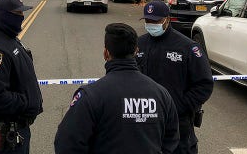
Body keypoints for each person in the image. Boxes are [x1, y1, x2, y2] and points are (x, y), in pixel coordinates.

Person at [55, 23, 180, 154]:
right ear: (136, 51)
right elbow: (171, 139)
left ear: (106, 53)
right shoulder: (161, 93)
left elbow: (67, 143)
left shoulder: (91, 95)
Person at [136, 1, 214, 154]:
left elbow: (204, 84)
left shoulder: (187, 47)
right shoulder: (139, 44)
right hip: (144, 121)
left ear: (167, 19)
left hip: (178, 123)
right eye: (148, 21)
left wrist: (179, 106)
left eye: (156, 21)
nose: (151, 24)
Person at [0, 0, 43, 154]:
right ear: (5, 16)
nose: (22, 17)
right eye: (18, 13)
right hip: (8, 137)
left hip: (18, 131)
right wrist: (26, 102)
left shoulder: (8, 39)